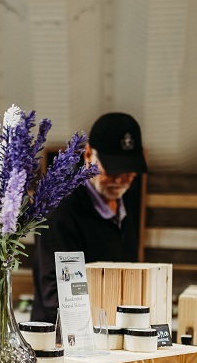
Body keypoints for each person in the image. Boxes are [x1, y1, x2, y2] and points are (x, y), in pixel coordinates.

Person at [31, 112, 148, 323]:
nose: (121, 180)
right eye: (112, 170)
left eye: (129, 171)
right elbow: (56, 294)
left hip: (112, 330)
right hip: (66, 338)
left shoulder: (125, 202)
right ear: (88, 155)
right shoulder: (60, 210)